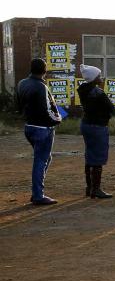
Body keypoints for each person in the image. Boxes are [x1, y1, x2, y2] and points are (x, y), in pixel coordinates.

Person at [16, 58, 62, 204]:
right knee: (41, 160)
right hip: (42, 128)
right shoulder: (42, 87)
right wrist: (58, 119)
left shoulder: (22, 83)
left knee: (44, 158)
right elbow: (48, 109)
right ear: (44, 70)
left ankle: (37, 191)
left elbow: (18, 104)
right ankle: (38, 195)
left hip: (29, 126)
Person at [77, 65, 115, 199]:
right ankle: (96, 189)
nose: (101, 78)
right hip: (98, 126)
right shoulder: (97, 93)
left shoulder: (83, 90)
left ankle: (90, 187)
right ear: (93, 79)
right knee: (98, 157)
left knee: (90, 155)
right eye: (98, 76)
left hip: (86, 124)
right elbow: (111, 108)